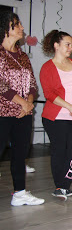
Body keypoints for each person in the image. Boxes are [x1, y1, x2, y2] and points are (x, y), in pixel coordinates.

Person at [0, 11, 44, 206]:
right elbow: (1, 85)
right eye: (17, 24)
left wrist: (29, 103)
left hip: (24, 113)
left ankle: (20, 193)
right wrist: (22, 102)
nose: (22, 28)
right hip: (3, 113)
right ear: (5, 28)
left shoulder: (23, 56)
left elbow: (32, 83)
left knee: (20, 153)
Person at [40, 30, 72, 200]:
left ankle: (64, 186)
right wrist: (69, 106)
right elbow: (49, 94)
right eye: (67, 44)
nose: (71, 48)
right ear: (56, 45)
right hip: (56, 116)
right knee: (60, 150)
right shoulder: (47, 67)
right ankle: (60, 186)